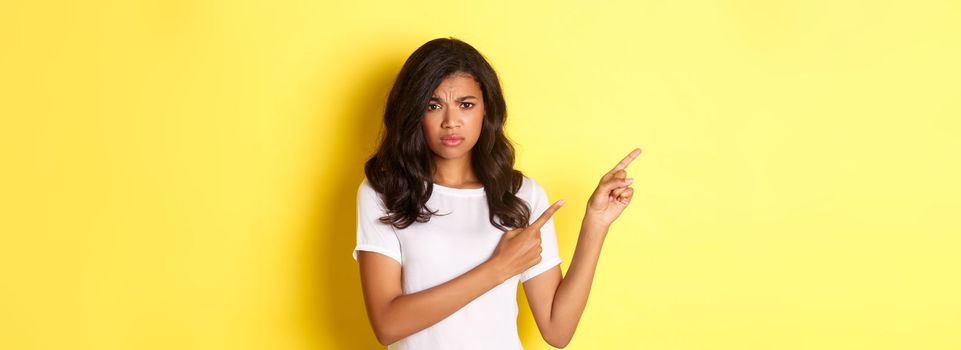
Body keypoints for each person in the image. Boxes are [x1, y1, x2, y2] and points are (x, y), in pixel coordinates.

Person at [352, 37, 641, 349]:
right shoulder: (385, 192)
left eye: (466, 104)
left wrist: (596, 224)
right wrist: (498, 268)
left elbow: (558, 331)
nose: (451, 122)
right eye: (433, 105)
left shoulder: (521, 195)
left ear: (485, 109)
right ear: (413, 112)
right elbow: (387, 324)